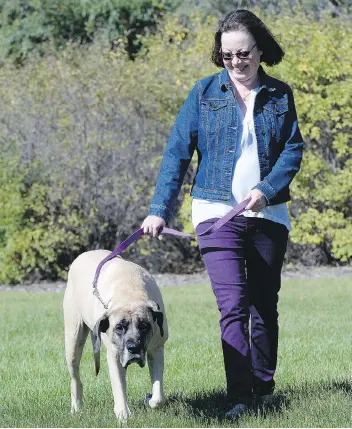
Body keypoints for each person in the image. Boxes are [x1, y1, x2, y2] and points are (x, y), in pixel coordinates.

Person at [141, 9, 304, 418]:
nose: (235, 62)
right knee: (232, 304)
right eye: (227, 55)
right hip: (215, 212)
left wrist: (266, 192)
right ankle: (239, 397)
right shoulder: (203, 93)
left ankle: (264, 388)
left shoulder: (280, 95)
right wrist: (159, 209)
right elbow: (177, 153)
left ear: (260, 50)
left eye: (243, 53)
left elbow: (293, 150)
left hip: (269, 215)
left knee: (264, 306)